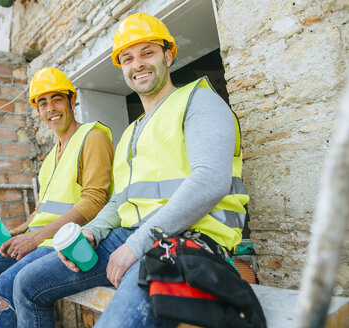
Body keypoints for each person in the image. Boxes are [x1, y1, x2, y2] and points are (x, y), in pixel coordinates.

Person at [13, 13, 249, 328]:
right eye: (127, 58)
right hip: (126, 236)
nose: (137, 64)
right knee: (25, 284)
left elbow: (210, 181)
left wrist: (136, 246)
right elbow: (119, 200)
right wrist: (92, 232)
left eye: (147, 53)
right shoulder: (131, 132)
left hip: (184, 239)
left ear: (168, 55)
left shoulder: (199, 101)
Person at [0, 67, 114, 327]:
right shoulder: (49, 159)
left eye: (57, 99)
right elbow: (42, 210)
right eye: (42, 103)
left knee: (6, 282)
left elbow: (94, 200)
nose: (50, 109)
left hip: (63, 241)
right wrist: (18, 231)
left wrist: (34, 237)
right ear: (38, 110)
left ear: (72, 99)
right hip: (41, 237)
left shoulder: (93, 136)